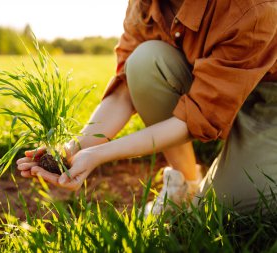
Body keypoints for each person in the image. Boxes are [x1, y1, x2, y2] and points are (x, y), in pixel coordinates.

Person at [17, 0, 277, 214]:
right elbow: (124, 92)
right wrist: (76, 148)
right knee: (143, 61)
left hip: (268, 100)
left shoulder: (253, 7)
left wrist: (99, 155)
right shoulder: (145, 4)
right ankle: (185, 183)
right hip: (209, 86)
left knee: (220, 209)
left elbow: (198, 118)